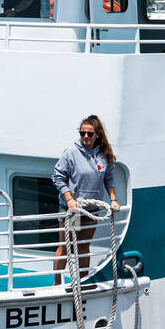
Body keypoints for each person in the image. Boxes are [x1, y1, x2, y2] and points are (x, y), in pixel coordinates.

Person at [52, 115, 121, 284]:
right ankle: (57, 282)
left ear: (97, 134)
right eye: (82, 133)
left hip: (91, 210)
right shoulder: (71, 152)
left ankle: (81, 281)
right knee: (66, 246)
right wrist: (69, 199)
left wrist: (113, 199)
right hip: (73, 210)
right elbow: (58, 177)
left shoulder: (104, 154)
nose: (85, 137)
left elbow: (109, 179)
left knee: (83, 246)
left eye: (89, 134)